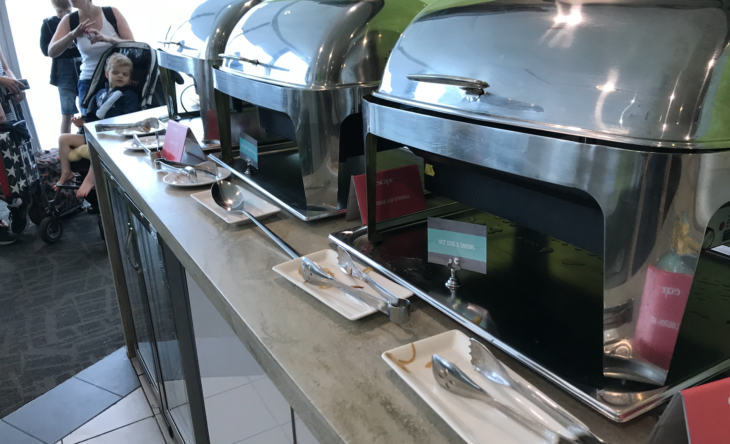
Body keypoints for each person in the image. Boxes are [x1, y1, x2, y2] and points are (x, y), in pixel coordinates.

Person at [57, 53, 139, 198]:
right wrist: (81, 122)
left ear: (129, 78)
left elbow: (130, 119)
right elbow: (91, 115)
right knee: (63, 138)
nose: (120, 76)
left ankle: (90, 180)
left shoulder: (129, 95)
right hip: (94, 132)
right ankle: (66, 172)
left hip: (113, 136)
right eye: (116, 72)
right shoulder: (99, 93)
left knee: (98, 145)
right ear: (107, 74)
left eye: (125, 74)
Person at [48, 0, 134, 115]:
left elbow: (133, 44)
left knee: (122, 121)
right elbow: (51, 51)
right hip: (88, 82)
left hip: (117, 79)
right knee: (90, 126)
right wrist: (72, 34)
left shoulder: (111, 12)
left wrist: (108, 39)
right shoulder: (69, 20)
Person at [0, 47, 28, 245]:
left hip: (6, 102)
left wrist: (15, 84)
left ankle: (17, 205)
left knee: (10, 155)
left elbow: (5, 67)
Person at [41, 0, 82, 135]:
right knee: (67, 114)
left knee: (89, 110)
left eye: (68, 12)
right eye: (61, 11)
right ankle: (65, 147)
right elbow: (46, 51)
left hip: (84, 66)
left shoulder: (79, 19)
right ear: (54, 6)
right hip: (63, 70)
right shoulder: (48, 23)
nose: (64, 15)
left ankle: (87, 145)